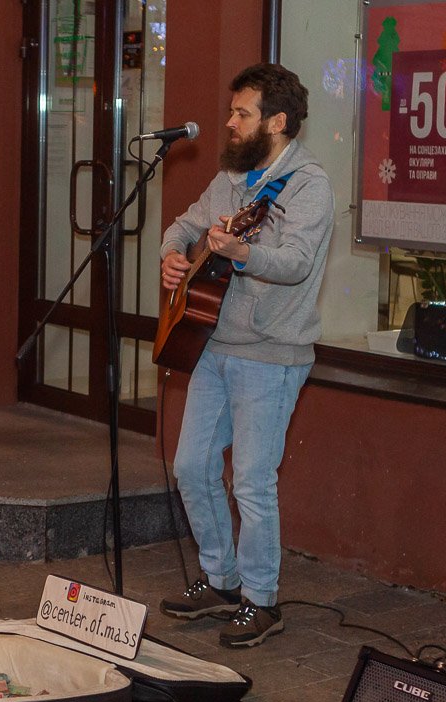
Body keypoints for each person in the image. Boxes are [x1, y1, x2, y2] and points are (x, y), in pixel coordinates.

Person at [157, 63, 334, 647]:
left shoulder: (309, 186)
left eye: (242, 114)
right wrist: (172, 254)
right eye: (232, 111)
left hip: (271, 354)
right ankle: (221, 579)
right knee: (191, 466)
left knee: (252, 483)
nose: (229, 123)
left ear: (277, 122)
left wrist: (241, 251)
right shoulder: (232, 177)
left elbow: (297, 264)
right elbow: (184, 224)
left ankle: (262, 600)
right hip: (212, 343)